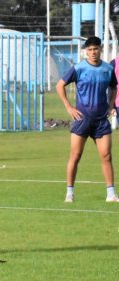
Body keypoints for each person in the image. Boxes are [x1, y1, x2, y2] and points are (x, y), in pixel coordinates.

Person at [56, 35, 119, 203]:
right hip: (82, 120)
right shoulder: (78, 68)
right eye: (90, 50)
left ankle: (111, 194)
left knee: (106, 155)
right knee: (75, 156)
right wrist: (69, 107)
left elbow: (114, 87)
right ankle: (69, 193)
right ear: (86, 51)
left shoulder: (107, 69)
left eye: (95, 49)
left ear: (101, 49)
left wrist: (111, 104)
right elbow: (59, 85)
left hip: (101, 121)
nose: (93, 52)